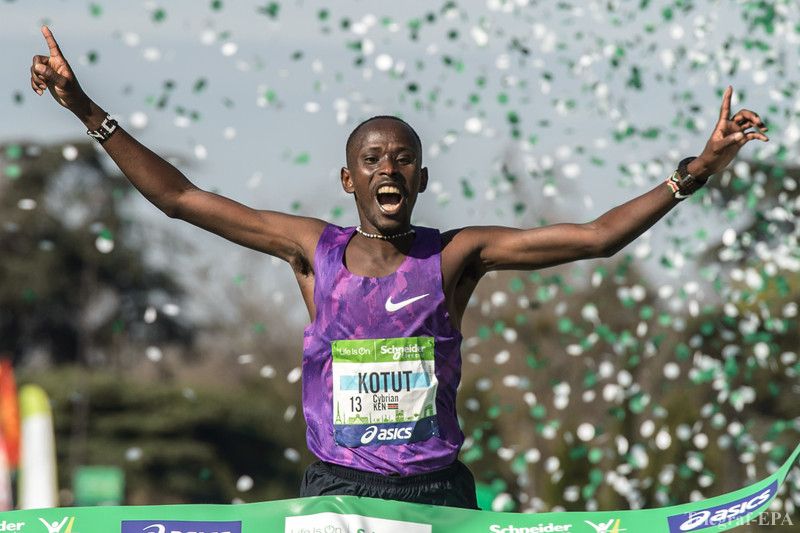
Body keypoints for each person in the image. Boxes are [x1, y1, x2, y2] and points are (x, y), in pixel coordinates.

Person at [30, 26, 769, 509]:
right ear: (349, 179)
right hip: (337, 494)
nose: (389, 166)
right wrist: (88, 109)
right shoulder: (311, 250)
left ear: (421, 178)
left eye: (403, 158)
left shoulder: (455, 255)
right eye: (372, 158)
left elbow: (596, 236)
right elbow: (183, 198)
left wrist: (694, 172)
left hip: (437, 495)